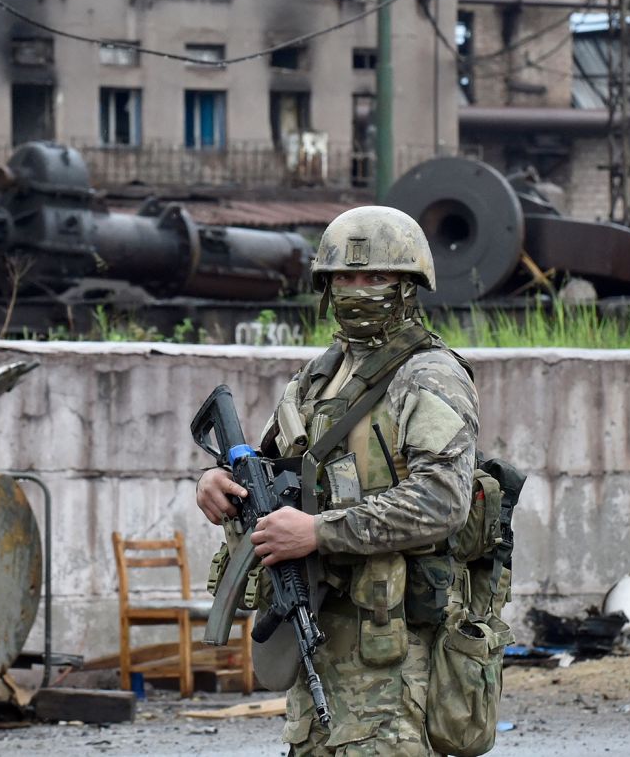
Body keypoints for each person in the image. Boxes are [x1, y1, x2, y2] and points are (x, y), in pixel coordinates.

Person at [196, 205, 480, 755]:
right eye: (344, 278)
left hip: (391, 653)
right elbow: (269, 468)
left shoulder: (429, 375)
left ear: (408, 286)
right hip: (316, 636)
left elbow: (443, 500)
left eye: (375, 276)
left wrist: (318, 532)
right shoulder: (318, 377)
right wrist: (219, 482)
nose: (357, 290)